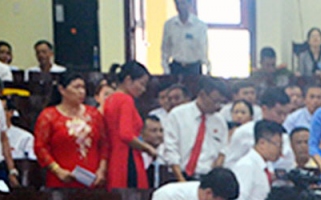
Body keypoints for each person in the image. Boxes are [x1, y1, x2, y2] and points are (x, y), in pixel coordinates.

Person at [33, 71, 107, 188]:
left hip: (92, 179)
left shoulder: (94, 114)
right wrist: (57, 170)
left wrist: (102, 170)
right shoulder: (48, 115)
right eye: (76, 87)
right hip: (61, 179)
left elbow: (104, 144)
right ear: (62, 90)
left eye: (83, 87)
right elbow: (40, 147)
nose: (82, 91)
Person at [103, 61, 158, 190]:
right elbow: (126, 135)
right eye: (141, 84)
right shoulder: (125, 100)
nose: (143, 89)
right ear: (128, 80)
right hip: (127, 158)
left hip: (114, 158)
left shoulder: (111, 99)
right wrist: (148, 148)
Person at [162, 77, 228, 181]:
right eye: (215, 101)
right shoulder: (177, 114)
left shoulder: (219, 121)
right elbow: (171, 149)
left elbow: (222, 151)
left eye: (221, 103)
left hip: (206, 177)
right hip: (179, 174)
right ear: (202, 95)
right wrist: (181, 179)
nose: (217, 106)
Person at [229, 119, 283, 200]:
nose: (280, 150)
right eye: (277, 145)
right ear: (262, 143)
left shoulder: (264, 166)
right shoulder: (246, 165)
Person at [162, 0, 209, 75]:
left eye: (183, 3)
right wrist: (166, 69)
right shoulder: (169, 25)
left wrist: (207, 67)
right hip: (176, 67)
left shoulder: (200, 26)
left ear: (189, 4)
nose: (181, 6)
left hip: (194, 68)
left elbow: (203, 49)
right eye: (178, 3)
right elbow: (165, 49)